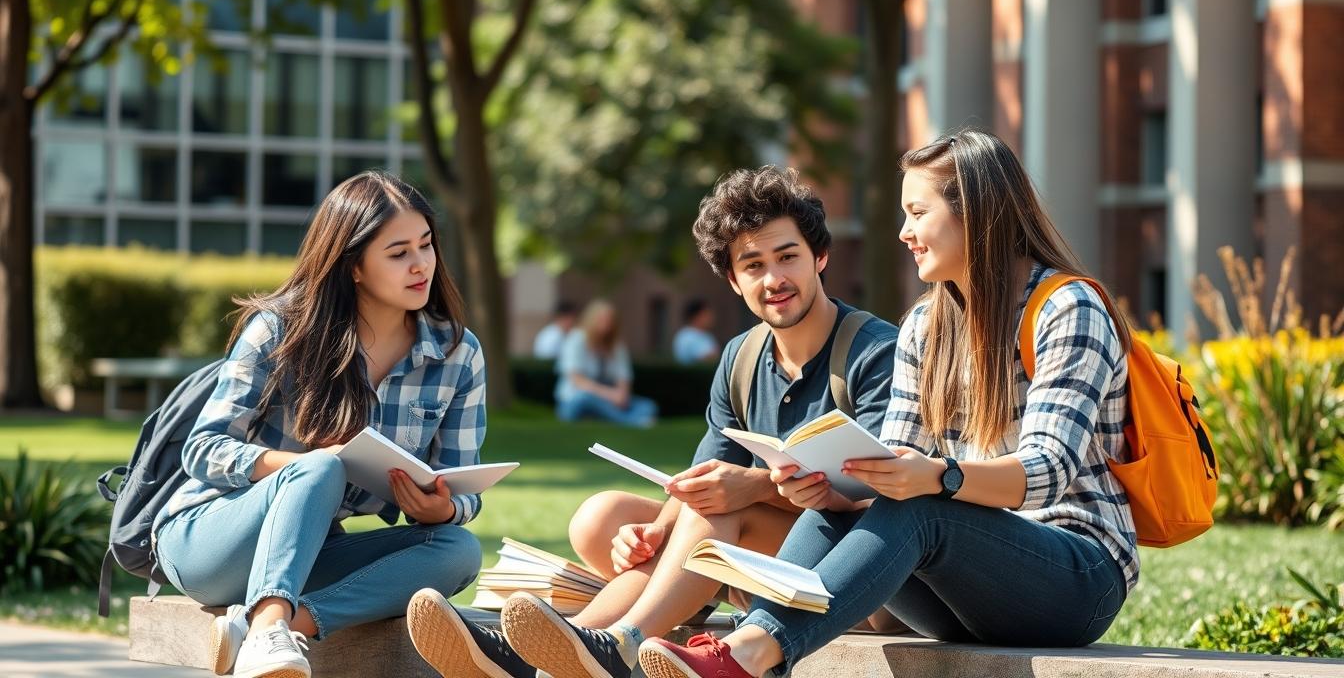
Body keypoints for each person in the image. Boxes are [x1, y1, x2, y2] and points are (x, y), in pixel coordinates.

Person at [636, 129, 1138, 678]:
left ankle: (746, 655)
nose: (905, 233)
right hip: (958, 589)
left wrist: (936, 477)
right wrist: (834, 489)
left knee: (920, 504)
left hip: (1074, 574)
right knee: (839, 508)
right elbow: (896, 456)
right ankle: (745, 642)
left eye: (918, 212)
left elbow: (1047, 471)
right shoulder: (927, 323)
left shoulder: (1068, 307)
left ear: (975, 213)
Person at [398, 165, 898, 678]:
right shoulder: (740, 358)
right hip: (760, 561)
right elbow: (702, 479)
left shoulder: (873, 351)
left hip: (863, 580)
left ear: (820, 257)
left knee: (715, 513)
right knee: (604, 517)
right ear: (732, 280)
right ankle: (550, 654)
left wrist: (753, 487)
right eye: (753, 265)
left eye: (788, 257)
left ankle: (614, 644)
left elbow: (886, 503)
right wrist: (652, 532)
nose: (773, 279)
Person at [152, 172, 488, 678]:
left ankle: (275, 628)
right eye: (398, 253)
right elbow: (201, 450)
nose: (420, 264)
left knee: (459, 549)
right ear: (354, 266)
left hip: (309, 552)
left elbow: (466, 483)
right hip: (208, 538)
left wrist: (445, 507)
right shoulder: (280, 330)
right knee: (319, 470)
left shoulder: (458, 354)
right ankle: (269, 627)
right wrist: (299, 468)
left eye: (426, 245)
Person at [550, 299, 659, 429]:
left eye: (610, 320)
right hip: (575, 400)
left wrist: (621, 396)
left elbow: (624, 378)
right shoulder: (576, 339)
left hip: (608, 401)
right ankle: (631, 422)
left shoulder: (616, 346)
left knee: (648, 406)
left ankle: (619, 418)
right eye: (602, 319)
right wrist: (611, 395)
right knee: (584, 399)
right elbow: (577, 381)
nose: (606, 324)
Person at [672, 299, 719, 364]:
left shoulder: (707, 335)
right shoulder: (686, 336)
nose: (711, 317)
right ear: (697, 316)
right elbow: (708, 359)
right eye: (706, 314)